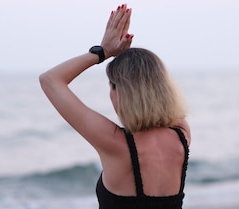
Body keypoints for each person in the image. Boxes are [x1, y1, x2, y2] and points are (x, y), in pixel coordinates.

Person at [39, 4, 191, 209]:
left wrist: (103, 52)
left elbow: (50, 80)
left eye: (111, 86)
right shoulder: (182, 134)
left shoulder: (115, 143)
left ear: (122, 91)